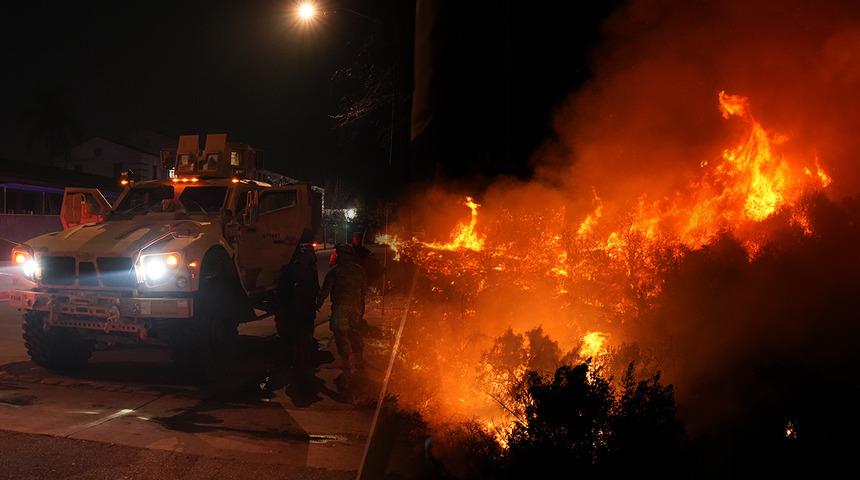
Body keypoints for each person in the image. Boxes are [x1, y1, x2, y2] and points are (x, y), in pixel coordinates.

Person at [317, 244, 367, 372]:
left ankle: (345, 364)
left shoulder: (335, 272)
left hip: (341, 308)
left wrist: (318, 304)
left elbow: (325, 292)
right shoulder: (359, 270)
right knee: (355, 333)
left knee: (340, 333)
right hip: (356, 307)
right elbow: (363, 290)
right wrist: (361, 308)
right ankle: (359, 361)